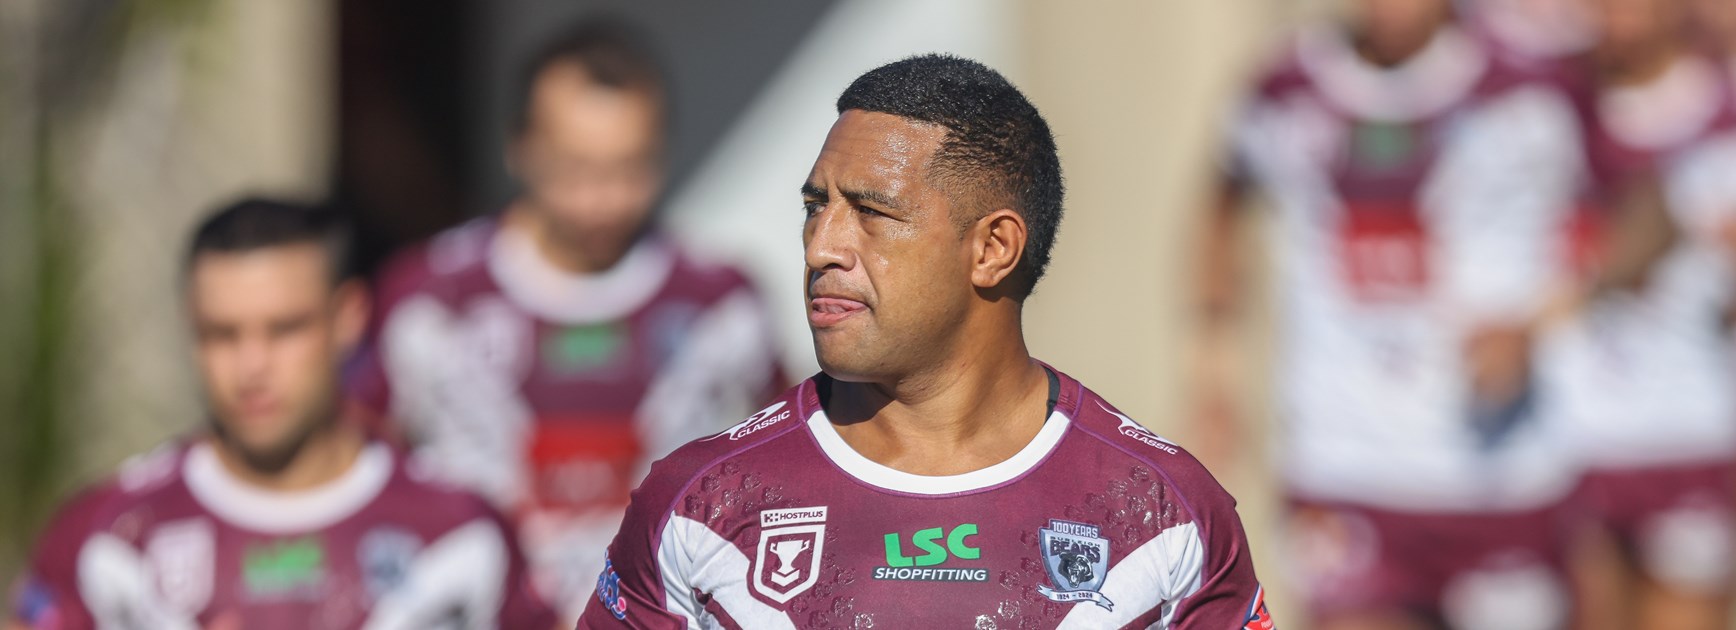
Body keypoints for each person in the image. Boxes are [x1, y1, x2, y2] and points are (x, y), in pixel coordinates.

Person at [573, 54, 1273, 629]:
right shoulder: (701, 503)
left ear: (993, 248)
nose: (822, 246)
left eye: (872, 212)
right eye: (816, 207)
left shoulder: (1162, 515)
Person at [346, 17, 785, 620]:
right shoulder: (428, 299)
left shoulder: (721, 303)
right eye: (576, 168)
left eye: (628, 169)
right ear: (518, 147)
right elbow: (352, 472)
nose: (601, 198)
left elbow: (788, 477)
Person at [1195, 0, 1586, 627]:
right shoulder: (1285, 86)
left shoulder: (1530, 82)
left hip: (1498, 472)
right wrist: (1214, 371)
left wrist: (1541, 321)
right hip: (1346, 463)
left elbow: (1639, 205)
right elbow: (1222, 202)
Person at [8, 199, 555, 630]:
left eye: (284, 329)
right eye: (222, 334)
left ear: (348, 317)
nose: (251, 366)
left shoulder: (461, 530)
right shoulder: (110, 535)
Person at [1533, 0, 1736, 628]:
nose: (1618, 23)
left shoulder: (1722, 114)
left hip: (1693, 430)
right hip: (1571, 433)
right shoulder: (1549, 106)